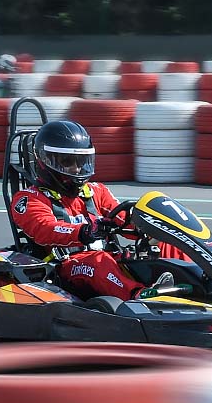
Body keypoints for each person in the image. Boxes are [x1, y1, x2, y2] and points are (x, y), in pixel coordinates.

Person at [10, 119, 189, 301]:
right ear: (45, 161)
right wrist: (85, 231)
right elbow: (45, 229)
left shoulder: (96, 191)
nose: (77, 168)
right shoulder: (29, 198)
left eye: (81, 161)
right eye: (67, 162)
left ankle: (206, 283)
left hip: (110, 258)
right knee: (98, 262)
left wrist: (147, 228)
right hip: (66, 268)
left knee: (168, 242)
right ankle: (140, 296)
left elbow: (123, 218)